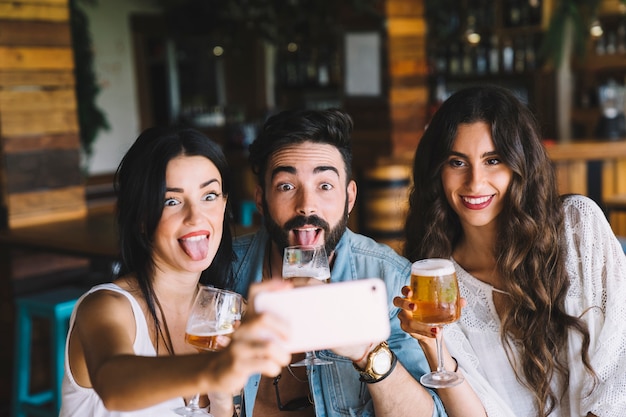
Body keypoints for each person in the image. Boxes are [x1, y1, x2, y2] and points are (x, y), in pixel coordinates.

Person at [394, 85, 626, 417]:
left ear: (521, 165)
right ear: (438, 173)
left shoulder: (578, 226)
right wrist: (433, 346)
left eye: (493, 160)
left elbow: (621, 361)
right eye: (457, 162)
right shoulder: (439, 282)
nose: (475, 182)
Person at [60, 127, 292, 417]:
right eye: (172, 201)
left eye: (209, 196)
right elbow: (113, 383)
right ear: (142, 218)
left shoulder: (225, 314)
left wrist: (221, 400)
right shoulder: (107, 307)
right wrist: (215, 370)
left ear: (224, 205)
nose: (196, 217)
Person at [231, 108, 447, 416]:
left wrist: (366, 351)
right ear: (261, 200)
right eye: (286, 186)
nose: (306, 205)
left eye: (325, 186)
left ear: (350, 197)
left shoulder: (388, 279)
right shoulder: (223, 271)